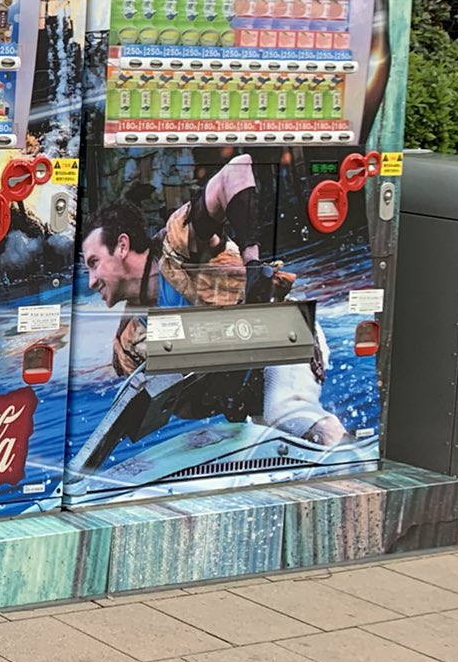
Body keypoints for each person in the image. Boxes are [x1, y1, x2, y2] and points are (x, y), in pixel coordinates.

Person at [79, 155, 342, 445]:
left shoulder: (179, 243)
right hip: (247, 386)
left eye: (94, 263)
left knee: (287, 414)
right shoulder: (129, 341)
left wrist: (252, 263)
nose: (91, 281)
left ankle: (350, 456)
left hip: (285, 336)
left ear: (122, 246)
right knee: (272, 447)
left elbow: (238, 169)